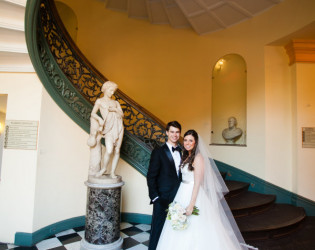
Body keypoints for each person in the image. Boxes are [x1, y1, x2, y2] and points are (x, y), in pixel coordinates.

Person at [156, 130, 257, 250]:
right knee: (178, 224)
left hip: (193, 194)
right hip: (182, 192)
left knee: (196, 227)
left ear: (195, 143)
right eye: (186, 140)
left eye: (191, 140)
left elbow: (198, 183)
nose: (187, 143)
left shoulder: (198, 158)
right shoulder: (186, 155)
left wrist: (191, 204)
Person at [146, 121, 182, 250]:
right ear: (167, 133)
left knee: (175, 229)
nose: (174, 135)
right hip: (162, 198)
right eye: (172, 132)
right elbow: (151, 176)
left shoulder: (182, 152)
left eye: (177, 132)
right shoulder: (158, 152)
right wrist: (155, 197)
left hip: (179, 198)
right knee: (158, 229)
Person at [87, 81, 124, 179]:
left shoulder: (115, 102)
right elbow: (93, 113)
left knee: (116, 150)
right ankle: (104, 168)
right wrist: (99, 119)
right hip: (108, 127)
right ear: (106, 89)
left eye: (113, 91)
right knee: (109, 150)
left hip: (119, 126)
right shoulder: (99, 101)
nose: (112, 93)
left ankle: (112, 172)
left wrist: (115, 109)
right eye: (111, 90)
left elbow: (122, 114)